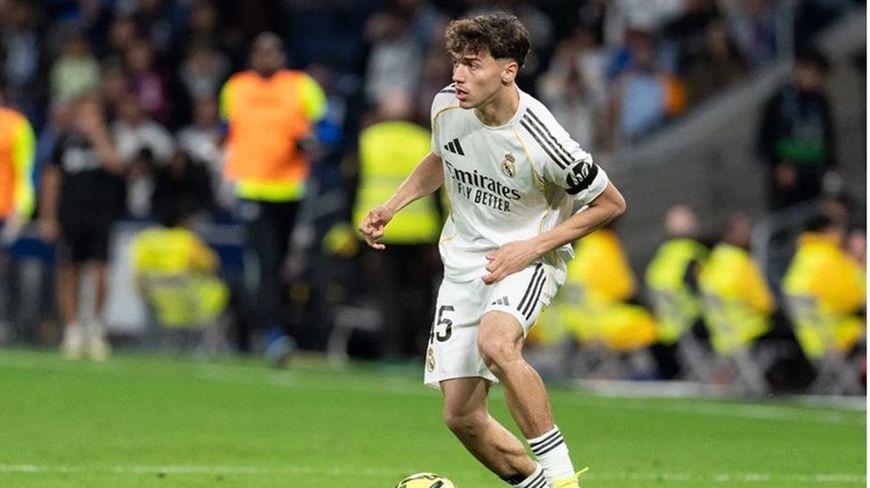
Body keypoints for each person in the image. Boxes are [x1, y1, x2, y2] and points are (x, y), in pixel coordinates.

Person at [359, 13, 626, 488]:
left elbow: (610, 204)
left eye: (473, 65)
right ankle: (539, 486)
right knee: (461, 415)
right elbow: (442, 156)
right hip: (464, 264)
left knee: (497, 343)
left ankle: (563, 478)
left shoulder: (543, 138)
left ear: (508, 71)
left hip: (528, 257)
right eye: (456, 63)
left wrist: (531, 248)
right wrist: (393, 205)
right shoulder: (446, 105)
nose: (459, 75)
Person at [220, 32, 327, 361]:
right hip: (250, 187)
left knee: (279, 263)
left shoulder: (301, 86)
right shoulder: (236, 87)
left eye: (272, 51)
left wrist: (312, 142)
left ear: (282, 55)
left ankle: (268, 327)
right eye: (260, 51)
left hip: (290, 188)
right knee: (265, 261)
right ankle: (271, 334)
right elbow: (227, 129)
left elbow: (327, 127)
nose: (266, 57)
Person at [39, 94, 127, 360]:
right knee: (69, 271)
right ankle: (73, 329)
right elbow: (51, 178)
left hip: (100, 217)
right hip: (71, 217)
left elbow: (116, 165)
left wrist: (98, 135)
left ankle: (95, 327)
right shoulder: (64, 142)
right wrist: (48, 216)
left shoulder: (110, 137)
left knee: (100, 271)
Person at [757, 49, 835, 211]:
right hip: (787, 182)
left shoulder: (821, 102)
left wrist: (832, 166)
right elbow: (764, 141)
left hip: (815, 175)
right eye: (813, 73)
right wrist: (779, 165)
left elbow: (829, 138)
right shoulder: (779, 102)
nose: (817, 80)